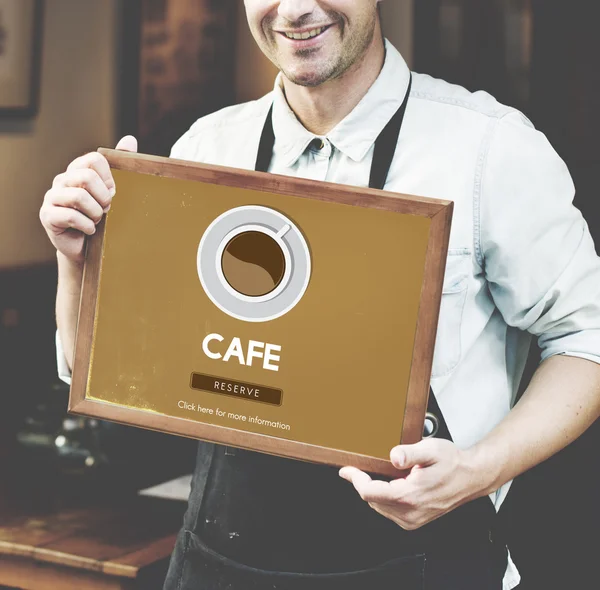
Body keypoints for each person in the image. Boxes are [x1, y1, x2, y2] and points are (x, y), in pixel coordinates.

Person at [39, 1, 600, 589]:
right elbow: (101, 371)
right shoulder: (205, 150)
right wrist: (74, 259)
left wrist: (479, 471)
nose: (297, 7)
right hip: (220, 568)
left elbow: (585, 340)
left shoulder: (491, 149)